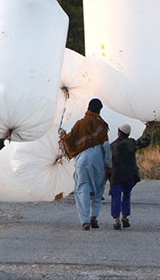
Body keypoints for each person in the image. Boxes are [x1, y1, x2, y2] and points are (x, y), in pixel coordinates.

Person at [60, 98, 111, 230]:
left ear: (88, 107)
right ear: (100, 110)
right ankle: (94, 216)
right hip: (98, 159)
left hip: (82, 159)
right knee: (98, 189)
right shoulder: (102, 125)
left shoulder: (80, 124)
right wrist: (108, 164)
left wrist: (63, 137)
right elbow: (106, 146)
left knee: (82, 188)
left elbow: (69, 139)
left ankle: (84, 221)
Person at [109, 122, 151, 230]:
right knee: (127, 194)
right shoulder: (131, 143)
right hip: (130, 175)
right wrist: (149, 130)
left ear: (119, 132)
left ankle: (116, 219)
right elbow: (145, 142)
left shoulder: (112, 146)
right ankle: (125, 216)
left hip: (116, 175)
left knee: (116, 196)